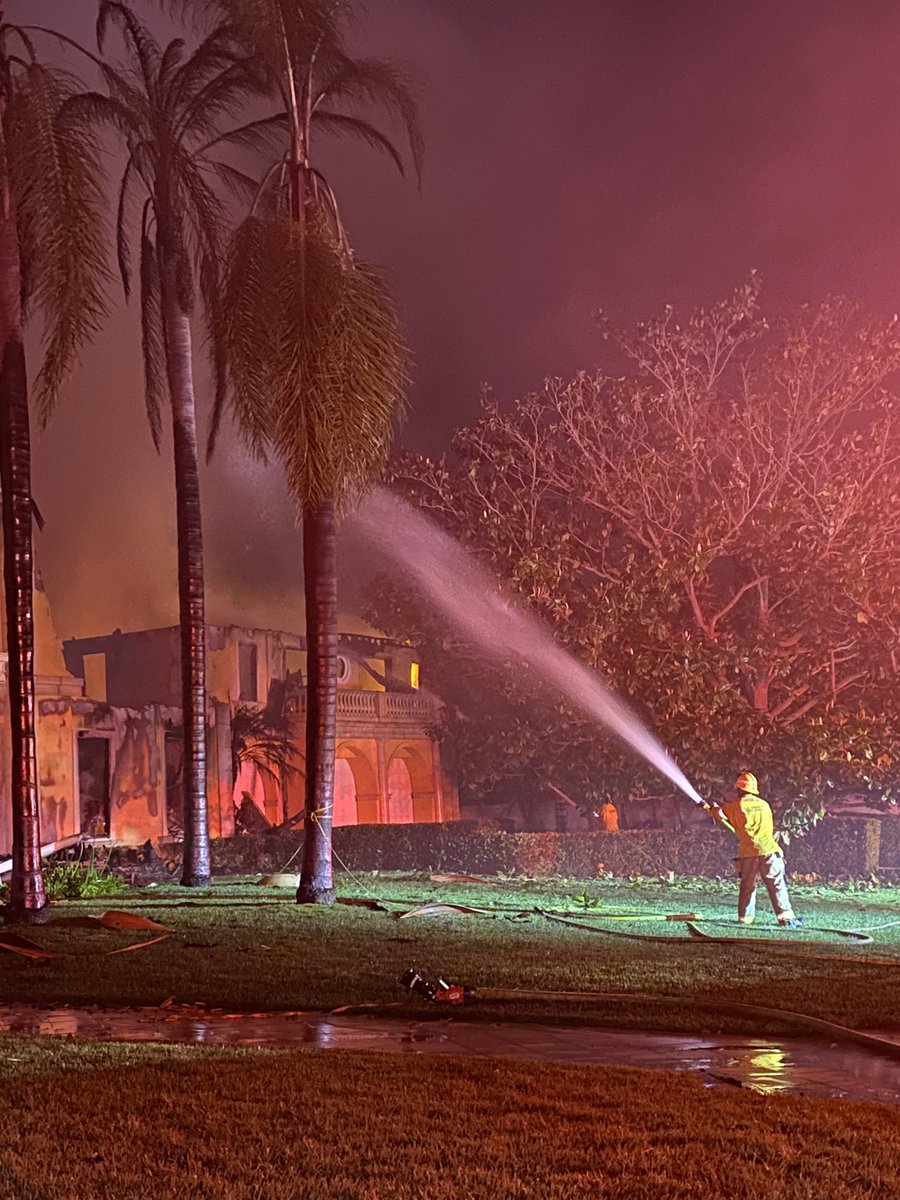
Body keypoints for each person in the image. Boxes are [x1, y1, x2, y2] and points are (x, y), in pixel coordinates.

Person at [709, 772, 802, 927]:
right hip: (769, 850)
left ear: (739, 789)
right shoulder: (764, 805)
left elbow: (720, 814)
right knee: (776, 884)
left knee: (748, 885)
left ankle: (745, 919)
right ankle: (785, 918)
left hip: (748, 853)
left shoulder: (736, 806)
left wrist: (712, 807)